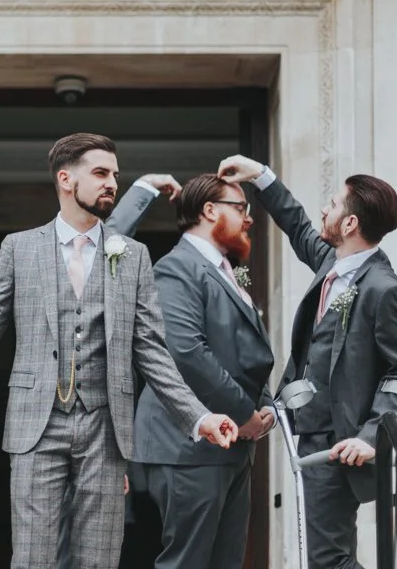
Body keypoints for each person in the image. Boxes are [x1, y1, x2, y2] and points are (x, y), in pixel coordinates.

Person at [0, 134, 238, 569]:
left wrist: (200, 417)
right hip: (36, 426)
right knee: (32, 560)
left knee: (98, 562)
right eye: (100, 173)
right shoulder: (19, 249)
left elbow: (153, 353)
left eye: (115, 175)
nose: (112, 184)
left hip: (106, 430)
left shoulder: (134, 257)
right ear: (66, 179)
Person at [217, 155, 397, 569]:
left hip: (338, 445)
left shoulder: (384, 289)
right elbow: (296, 226)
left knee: (328, 560)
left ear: (349, 224)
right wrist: (261, 176)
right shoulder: (333, 263)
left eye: (332, 204)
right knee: (324, 558)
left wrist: (369, 437)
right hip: (309, 437)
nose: (324, 211)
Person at [133, 173, 277, 569]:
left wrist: (262, 409)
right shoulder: (177, 267)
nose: (249, 219)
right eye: (241, 208)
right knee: (188, 562)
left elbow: (246, 353)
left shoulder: (225, 270)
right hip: (187, 446)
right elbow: (185, 351)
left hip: (231, 447)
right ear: (210, 210)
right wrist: (245, 414)